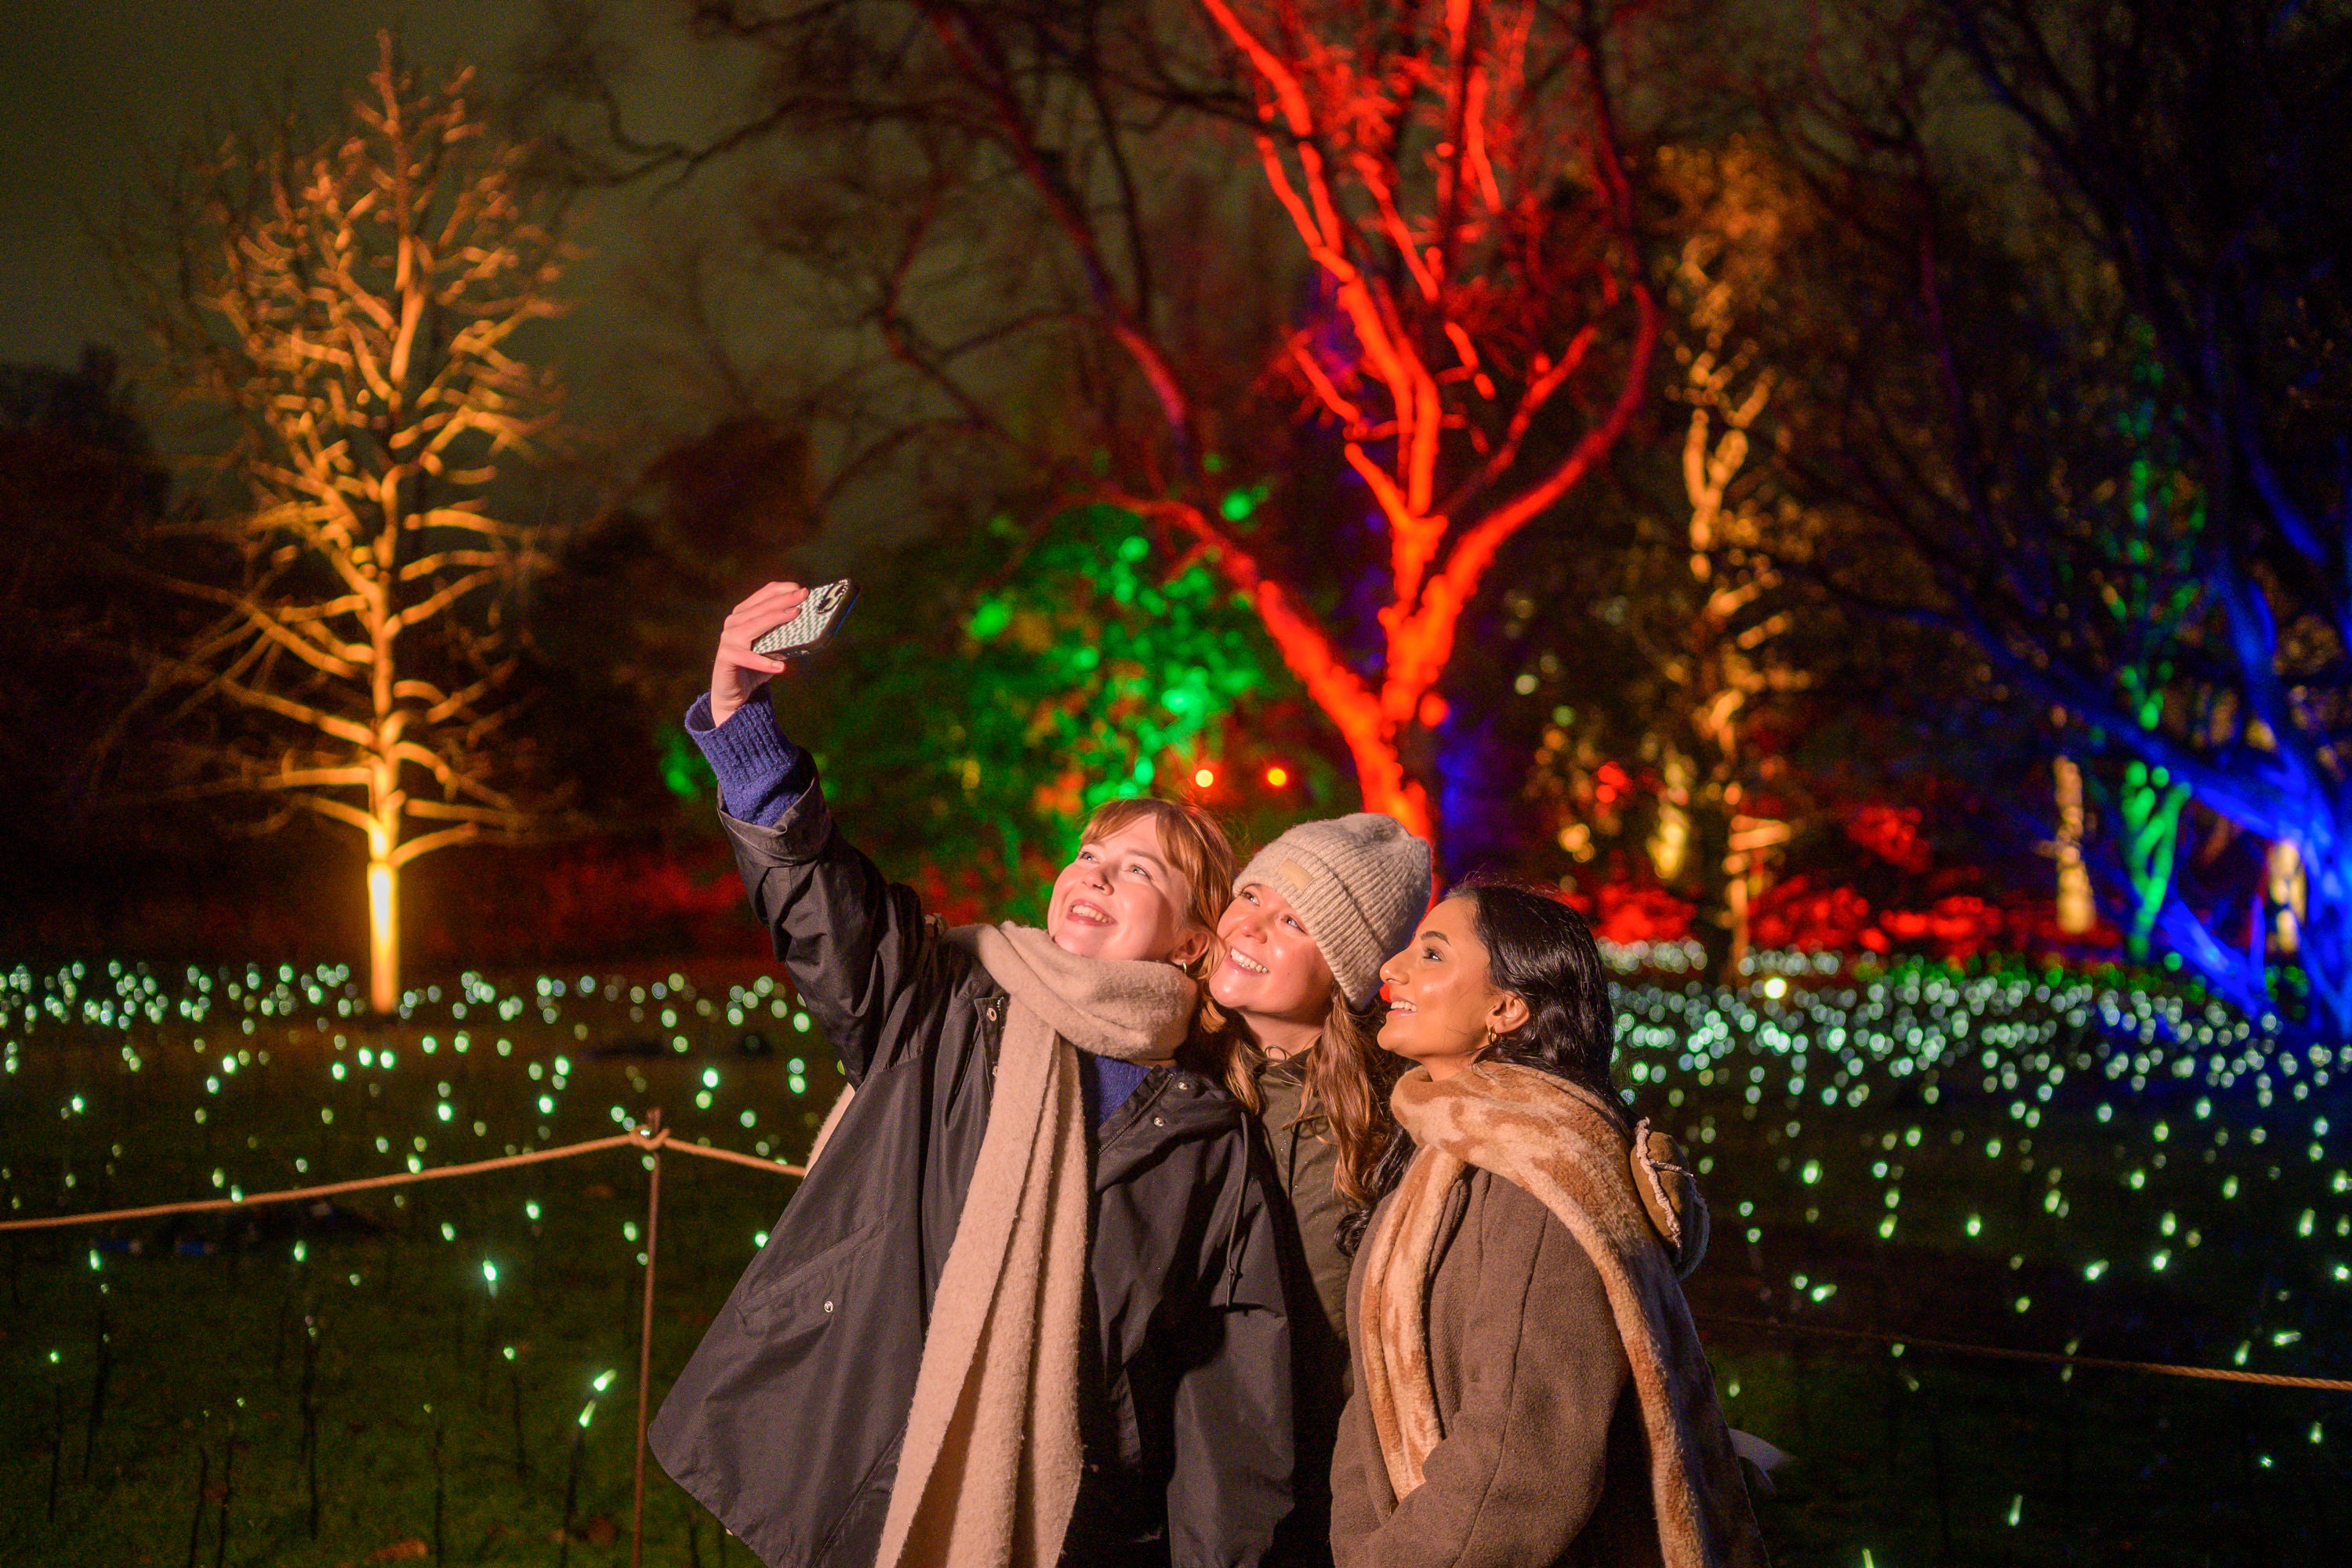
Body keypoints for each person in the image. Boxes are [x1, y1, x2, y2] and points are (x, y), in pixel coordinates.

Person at [650, 581, 1296, 1568]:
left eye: (1141, 869)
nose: (1096, 872)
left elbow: (1226, 1397)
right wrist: (744, 725)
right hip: (875, 1466)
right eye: (1091, 851)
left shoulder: (1206, 1133)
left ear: (1191, 943)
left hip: (1075, 1525)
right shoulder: (950, 998)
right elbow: (828, 906)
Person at [1330, 879, 1767, 1568]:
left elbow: (1516, 1468)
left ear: (1506, 1009)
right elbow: (1372, 1389)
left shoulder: (1538, 1174)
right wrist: (1358, 1544)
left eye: (1433, 954)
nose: (1393, 967)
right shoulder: (1436, 1148)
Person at [1203, 815, 1432, 1565]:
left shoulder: (1399, 1115)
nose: (1249, 925)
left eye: (1293, 921)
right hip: (1190, 1471)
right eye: (1251, 895)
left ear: (1343, 973)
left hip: (1324, 1491)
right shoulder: (1172, 1064)